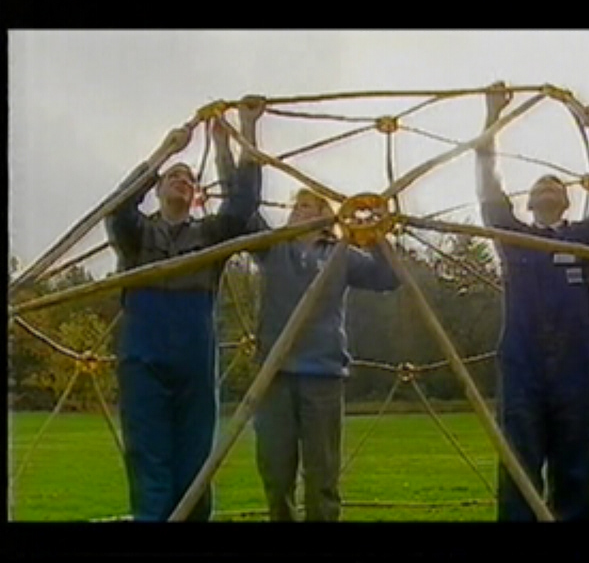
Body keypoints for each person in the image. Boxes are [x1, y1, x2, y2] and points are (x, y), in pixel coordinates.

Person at [214, 96, 401, 522]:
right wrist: (233, 140)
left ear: (324, 217)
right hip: (274, 374)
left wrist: (375, 233)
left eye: (308, 207)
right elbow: (239, 207)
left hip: (322, 374)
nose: (298, 212)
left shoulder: (340, 254)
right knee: (275, 471)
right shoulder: (272, 248)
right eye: (296, 206)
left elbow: (389, 278)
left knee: (322, 475)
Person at [475, 82, 589, 521]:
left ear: (567, 200)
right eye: (540, 184)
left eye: (556, 184)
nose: (548, 185)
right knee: (519, 468)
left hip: (575, 367)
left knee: (576, 470)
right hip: (522, 364)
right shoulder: (512, 238)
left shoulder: (584, 239)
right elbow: (488, 189)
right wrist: (492, 117)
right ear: (527, 203)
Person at [106, 113, 258, 521]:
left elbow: (243, 206)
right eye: (174, 176)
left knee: (195, 460)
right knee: (148, 455)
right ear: (157, 190)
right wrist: (164, 152)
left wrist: (236, 137)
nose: (182, 180)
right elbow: (117, 208)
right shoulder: (138, 234)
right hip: (143, 354)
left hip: (194, 356)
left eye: (189, 178)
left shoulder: (209, 235)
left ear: (196, 195)